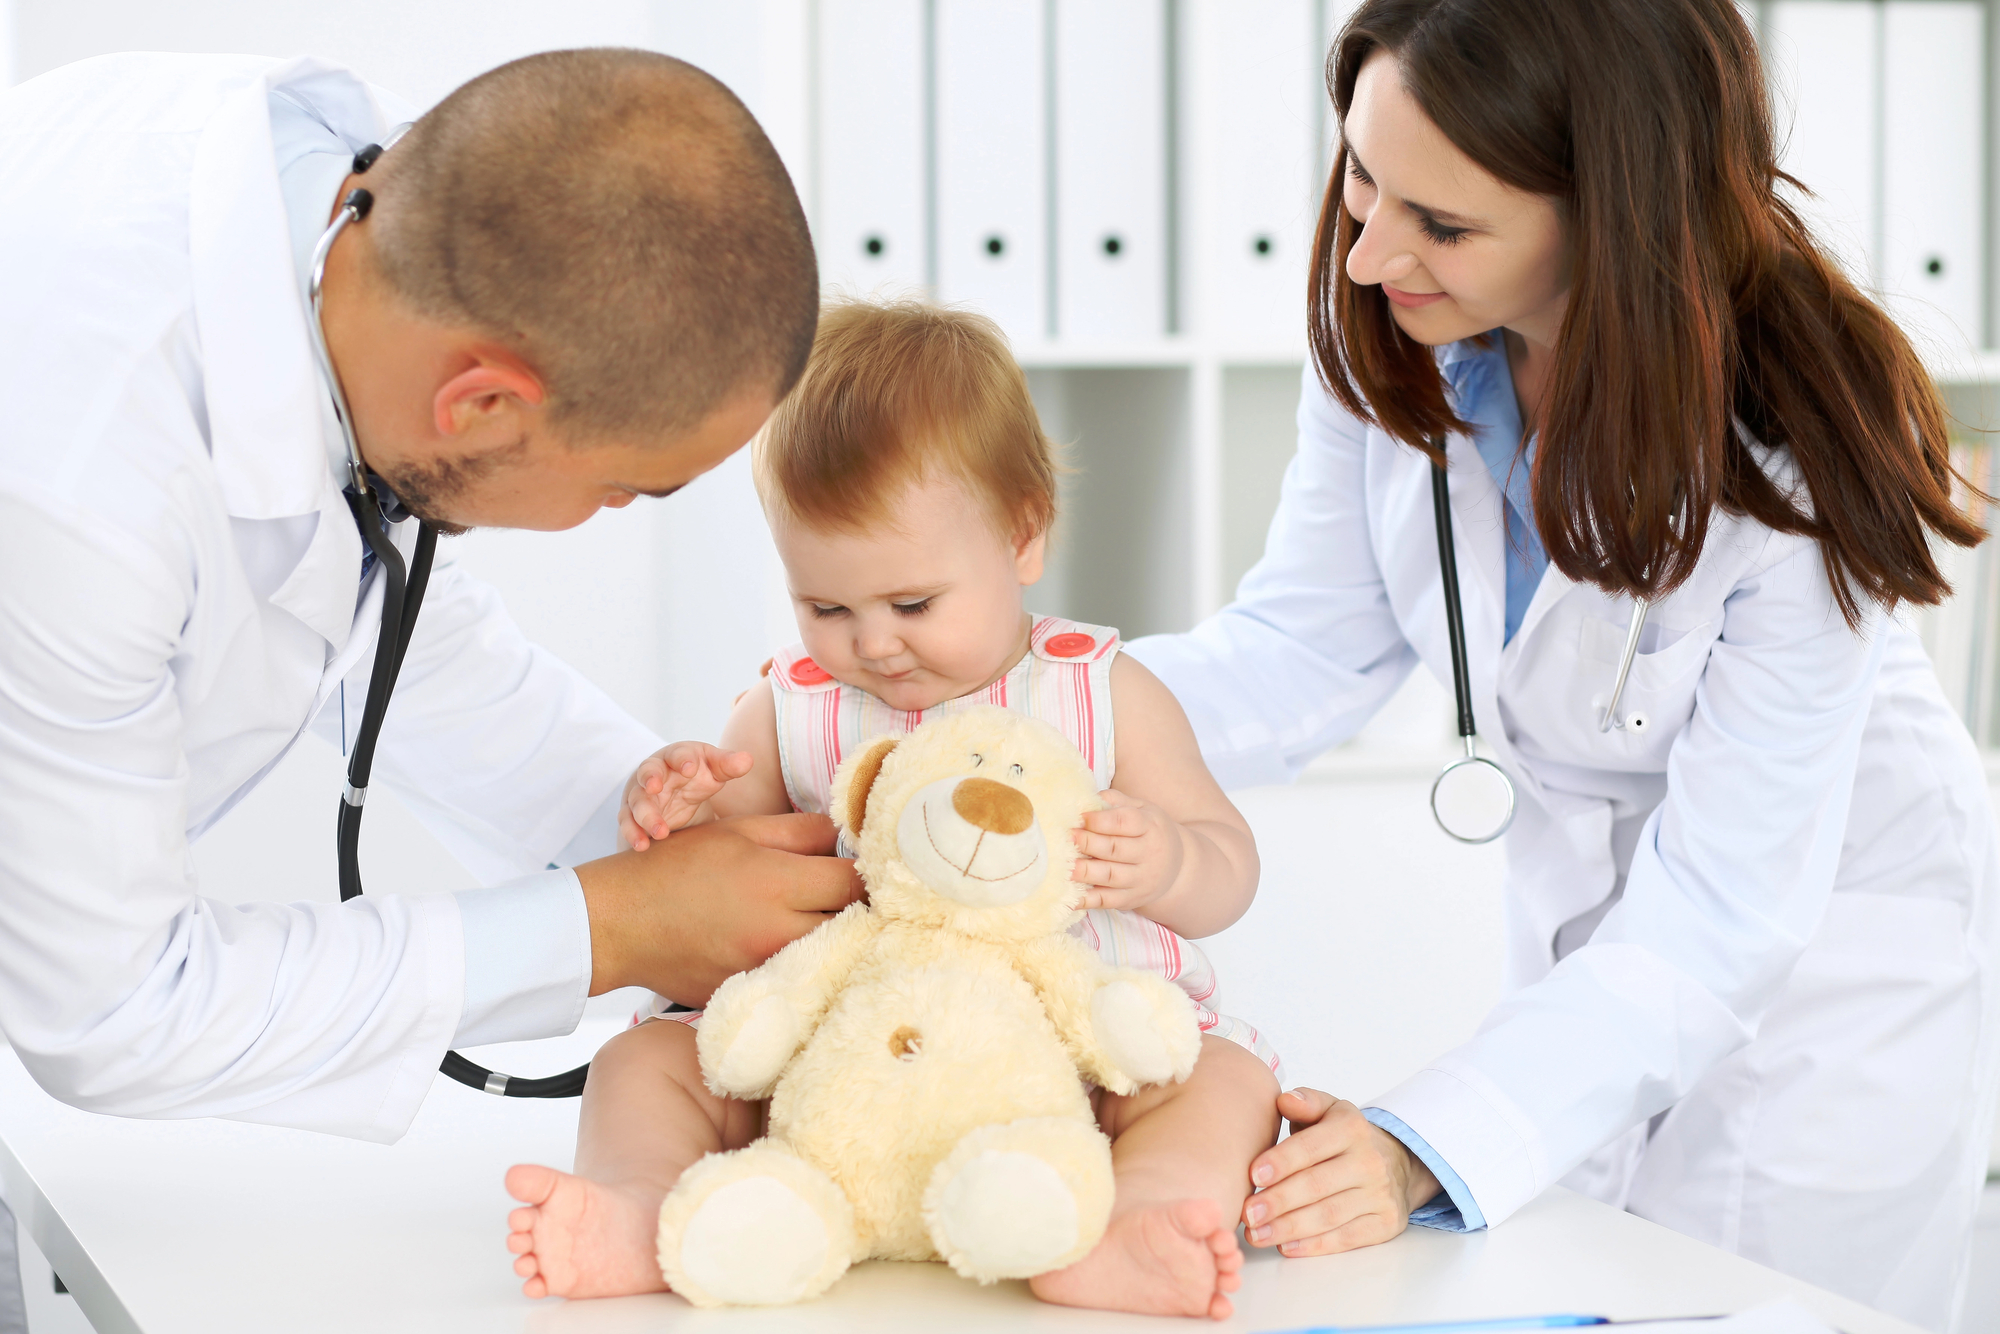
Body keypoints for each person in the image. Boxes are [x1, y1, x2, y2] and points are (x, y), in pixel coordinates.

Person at [1123, 2, 1999, 1329]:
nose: (1367, 255)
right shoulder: (1401, 336)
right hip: (1598, 937)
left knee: (1746, 1307)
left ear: (1616, 212)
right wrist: (1005, 706)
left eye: (1444, 223)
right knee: (1578, 1283)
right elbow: (1299, 649)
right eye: (1362, 175)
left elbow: (1718, 913)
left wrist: (1423, 1137)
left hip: (1824, 962)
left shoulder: (1785, 452)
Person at [0, 48, 860, 1148]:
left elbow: (380, 607)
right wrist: (611, 927)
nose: (613, 513)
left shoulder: (407, 220)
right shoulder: (84, 480)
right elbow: (113, 1009)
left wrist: (664, 828)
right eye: (620, 489)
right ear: (484, 399)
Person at [501, 299, 1283, 1320]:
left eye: (911, 604)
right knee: (641, 1061)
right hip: (838, 1062)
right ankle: (641, 1205)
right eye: (825, 607)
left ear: (1022, 533)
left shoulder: (1102, 692)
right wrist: (674, 810)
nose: (871, 644)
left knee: (1219, 1081)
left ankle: (1131, 1218)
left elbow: (1229, 862)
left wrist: (1171, 860)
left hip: (1070, 1055)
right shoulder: (789, 705)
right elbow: (709, 866)